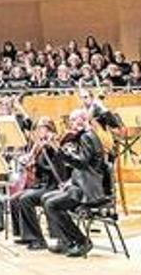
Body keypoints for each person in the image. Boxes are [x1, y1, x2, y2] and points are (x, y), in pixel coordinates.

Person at [42, 109, 108, 258]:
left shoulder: (87, 137)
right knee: (46, 198)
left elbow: (83, 163)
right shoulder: (84, 136)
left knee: (51, 204)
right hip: (79, 185)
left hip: (87, 190)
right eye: (70, 121)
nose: (71, 124)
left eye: (73, 120)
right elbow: (82, 166)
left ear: (83, 120)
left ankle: (81, 241)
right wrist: (69, 181)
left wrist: (62, 151)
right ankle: (65, 241)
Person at [4, 118, 66, 248]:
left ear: (50, 129)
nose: (38, 132)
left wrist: (50, 147)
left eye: (42, 128)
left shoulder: (53, 144)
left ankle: (38, 239)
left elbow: (58, 165)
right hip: (40, 184)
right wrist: (29, 160)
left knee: (25, 199)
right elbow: (33, 165)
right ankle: (25, 235)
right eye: (38, 128)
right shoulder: (39, 145)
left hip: (52, 185)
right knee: (14, 199)